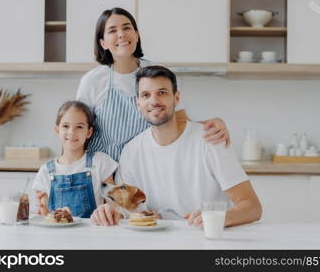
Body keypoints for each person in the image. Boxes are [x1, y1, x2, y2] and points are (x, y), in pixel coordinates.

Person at [91, 66, 262, 227]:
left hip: (205, 240)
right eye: (145, 95)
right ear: (138, 103)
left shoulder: (210, 140)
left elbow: (252, 207)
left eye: (162, 93)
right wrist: (110, 210)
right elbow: (125, 207)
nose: (154, 101)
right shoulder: (131, 151)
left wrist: (217, 217)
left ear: (176, 98)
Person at [76, 7, 230, 162]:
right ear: (102, 43)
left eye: (127, 27)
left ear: (136, 35)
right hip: (104, 177)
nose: (121, 34)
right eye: (112, 30)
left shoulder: (158, 74)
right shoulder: (92, 81)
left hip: (147, 171)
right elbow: (76, 132)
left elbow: (181, 124)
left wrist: (213, 125)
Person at [32, 101, 118, 218]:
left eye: (79, 127)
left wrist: (111, 209)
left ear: (89, 132)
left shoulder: (100, 162)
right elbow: (44, 215)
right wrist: (42, 208)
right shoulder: (46, 171)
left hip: (94, 233)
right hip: (56, 235)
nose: (72, 132)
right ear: (57, 131)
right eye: (66, 126)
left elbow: (114, 206)